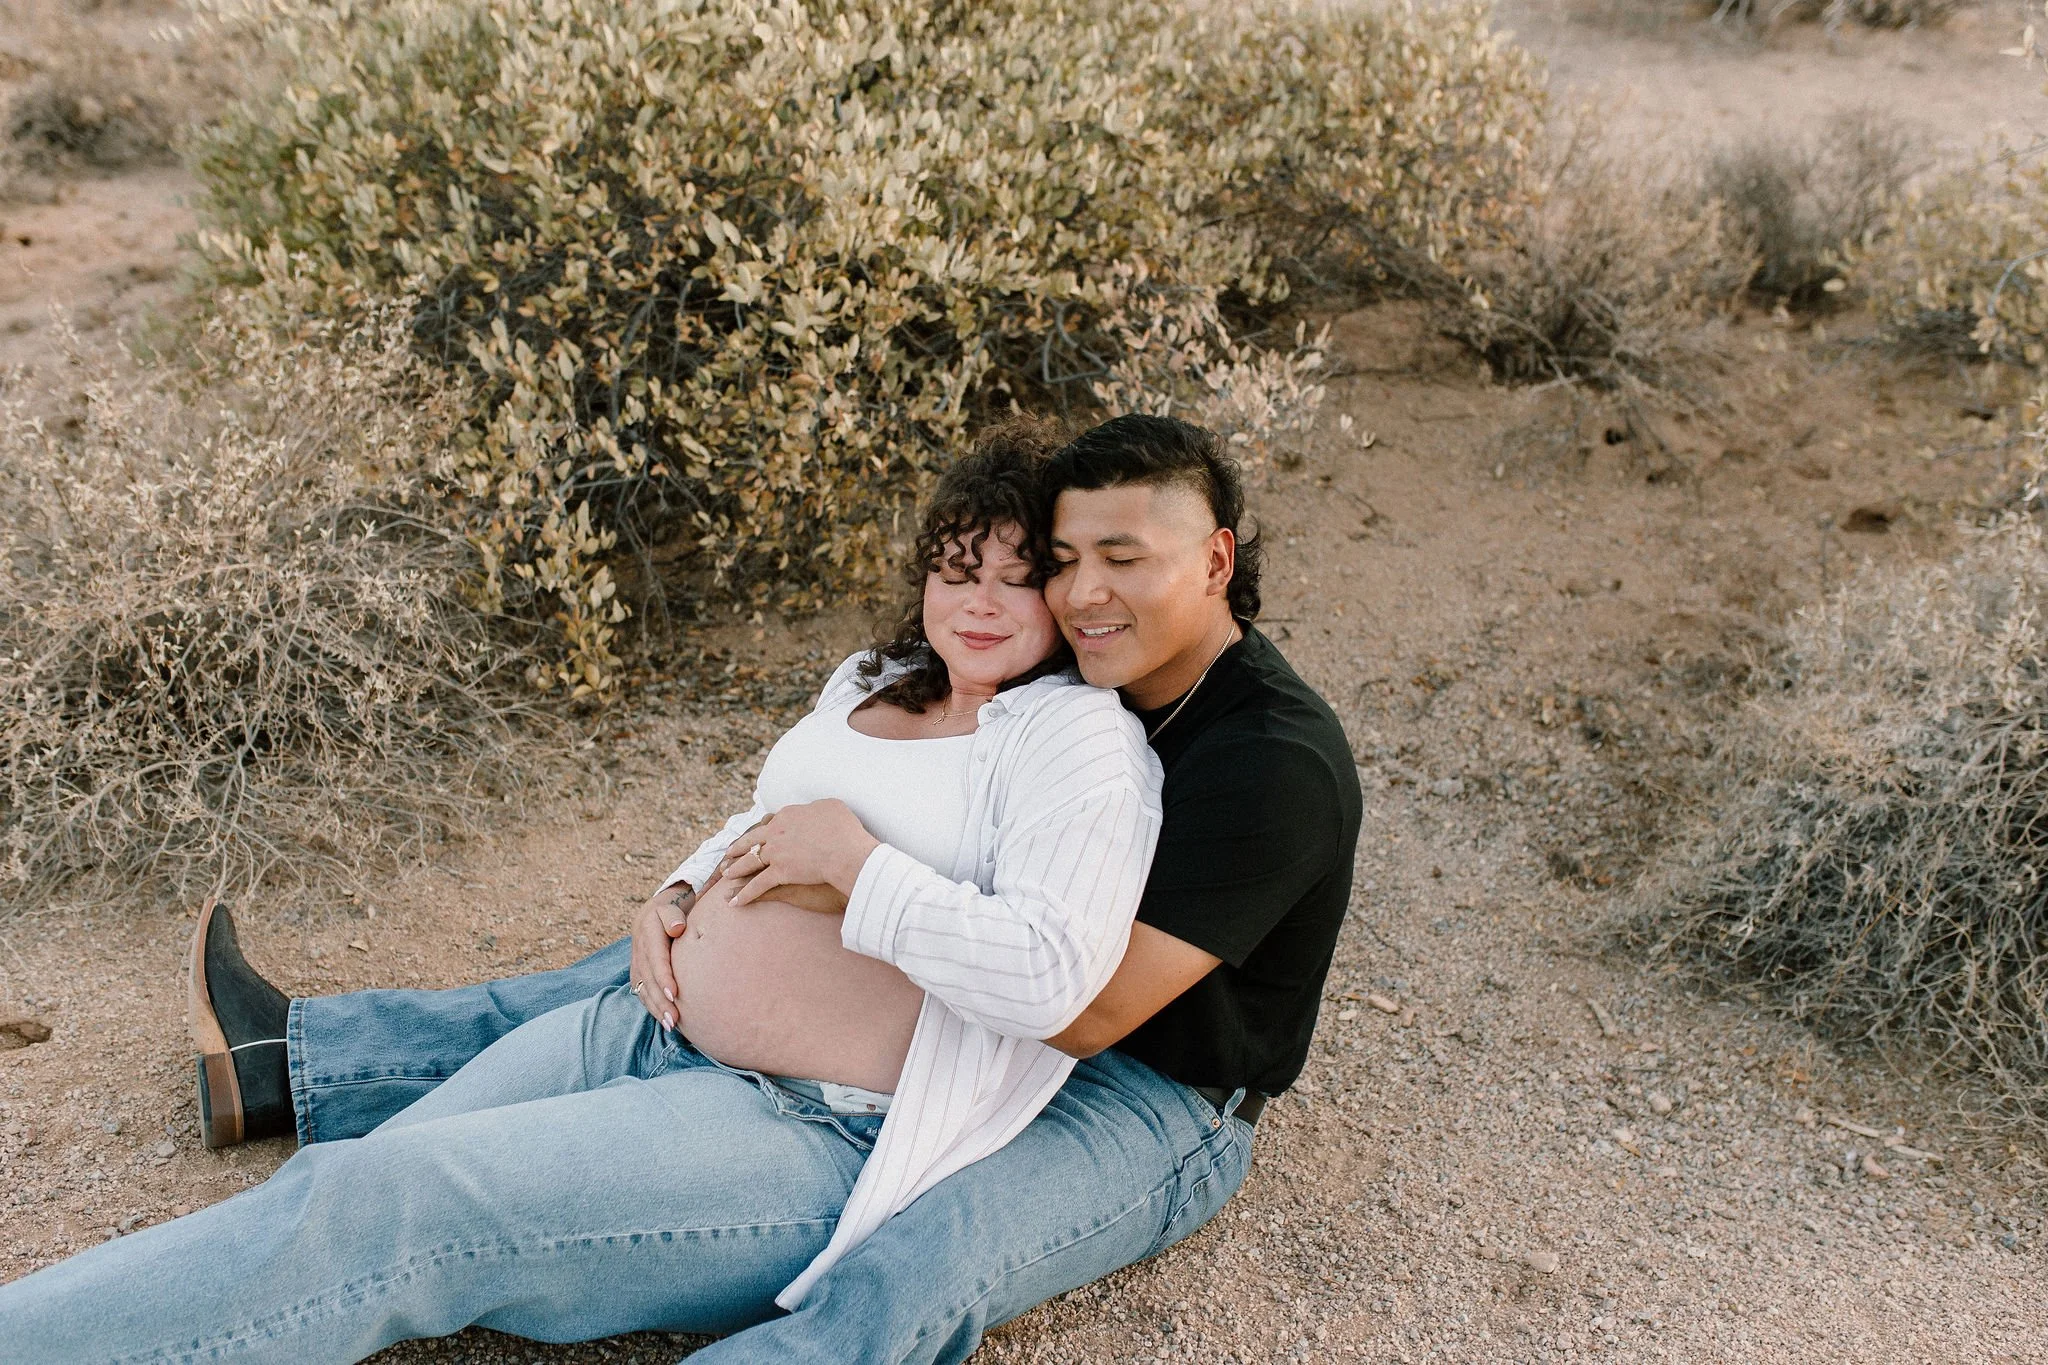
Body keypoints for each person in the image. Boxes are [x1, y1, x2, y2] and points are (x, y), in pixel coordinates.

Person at [31, 413, 1363, 1364]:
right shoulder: (1029, 678)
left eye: (1107, 563)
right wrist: (680, 893)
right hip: (737, 1036)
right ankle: (293, 1072)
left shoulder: (1233, 758)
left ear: (1218, 559)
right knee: (419, 1141)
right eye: (1060, 561)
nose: (1077, 592)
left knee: (906, 1278)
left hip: (1145, 1087)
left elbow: (1073, 1006)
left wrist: (851, 875)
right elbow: (792, 812)